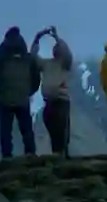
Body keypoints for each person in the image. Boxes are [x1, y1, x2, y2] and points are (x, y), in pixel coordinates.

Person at [0, 26, 41, 159]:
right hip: (23, 97)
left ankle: (7, 156)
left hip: (5, 98)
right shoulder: (27, 58)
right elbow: (36, 77)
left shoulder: (1, 57)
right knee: (26, 128)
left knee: (6, 131)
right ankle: (30, 154)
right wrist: (29, 91)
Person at [31, 28, 74, 157]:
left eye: (57, 49)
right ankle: (58, 154)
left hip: (61, 100)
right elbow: (33, 57)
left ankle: (62, 154)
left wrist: (56, 37)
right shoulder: (47, 64)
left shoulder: (65, 63)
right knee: (53, 129)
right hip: (49, 101)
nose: (56, 50)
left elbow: (66, 52)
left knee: (62, 130)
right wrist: (37, 38)